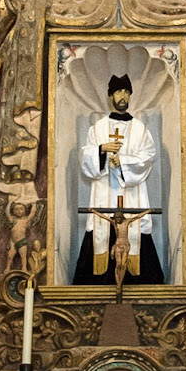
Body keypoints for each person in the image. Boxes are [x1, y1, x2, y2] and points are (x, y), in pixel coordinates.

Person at [72, 73, 164, 285]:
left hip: (132, 194)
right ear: (110, 95)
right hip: (104, 193)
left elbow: (148, 157)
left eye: (126, 92)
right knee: (99, 233)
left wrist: (122, 161)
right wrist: (102, 151)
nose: (123, 96)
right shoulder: (97, 129)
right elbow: (85, 157)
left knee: (136, 234)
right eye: (118, 92)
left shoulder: (140, 129)